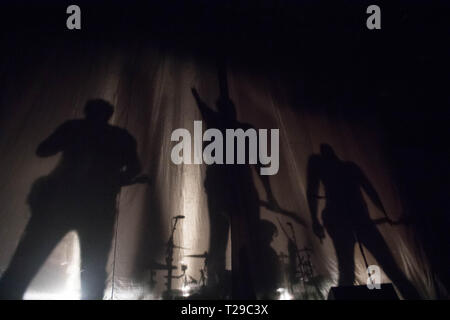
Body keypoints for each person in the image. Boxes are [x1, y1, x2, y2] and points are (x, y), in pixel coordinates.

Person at [0, 99, 145, 299]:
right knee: (93, 269)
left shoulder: (73, 128)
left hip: (60, 203)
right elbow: (135, 169)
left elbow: (42, 150)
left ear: (87, 112)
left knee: (27, 260)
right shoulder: (121, 137)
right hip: (97, 207)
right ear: (108, 115)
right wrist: (112, 181)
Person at [306, 143, 420, 299]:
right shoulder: (347, 168)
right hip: (352, 220)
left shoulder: (338, 168)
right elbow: (369, 189)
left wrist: (316, 221)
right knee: (380, 268)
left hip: (350, 221)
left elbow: (312, 192)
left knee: (349, 271)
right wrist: (386, 214)